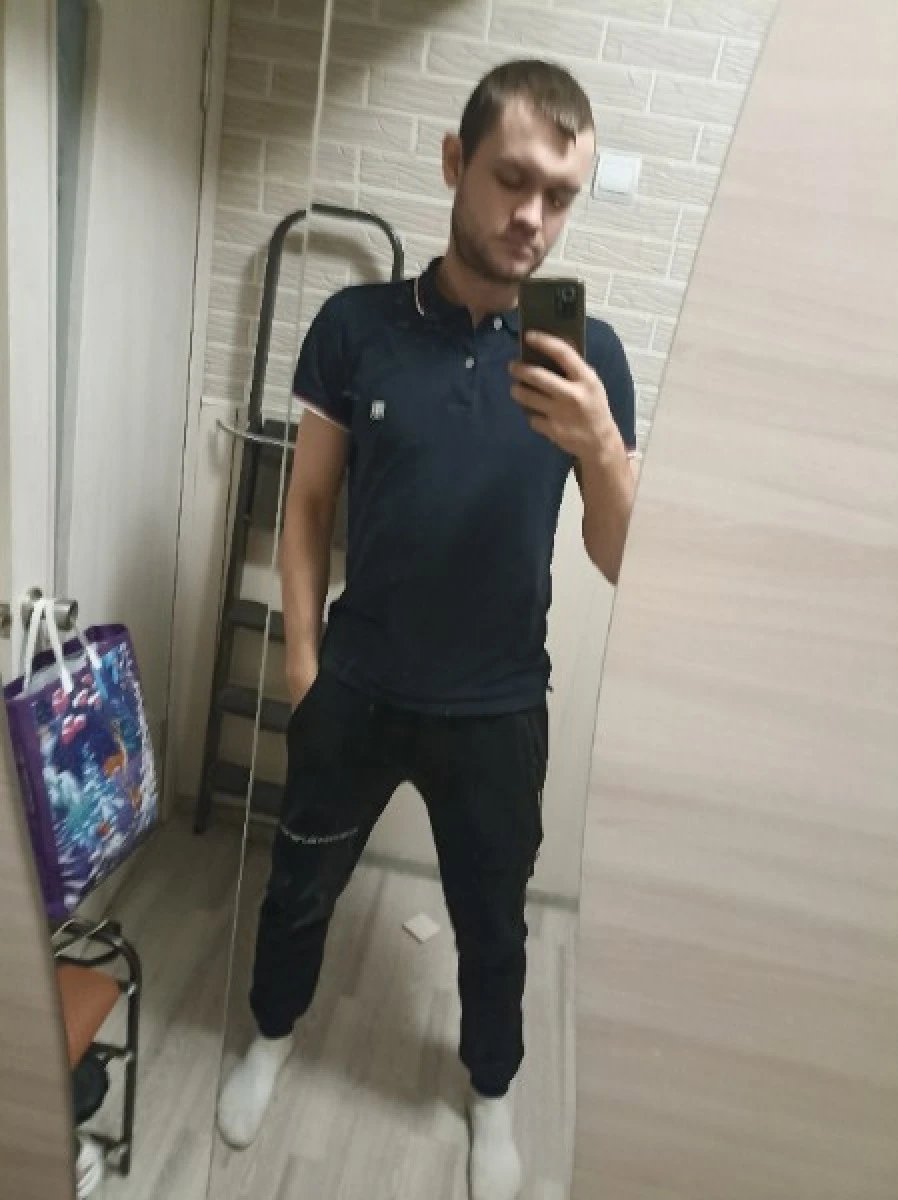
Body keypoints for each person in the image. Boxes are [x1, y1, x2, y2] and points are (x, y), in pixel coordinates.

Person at [217, 58, 639, 1200]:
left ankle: (489, 1095)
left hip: (499, 706)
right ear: (456, 162)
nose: (533, 216)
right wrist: (303, 666)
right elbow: (309, 506)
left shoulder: (588, 358)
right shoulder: (354, 328)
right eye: (512, 179)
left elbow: (619, 556)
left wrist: (602, 447)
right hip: (354, 683)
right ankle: (271, 1036)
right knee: (298, 887)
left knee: (493, 924)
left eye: (560, 196)